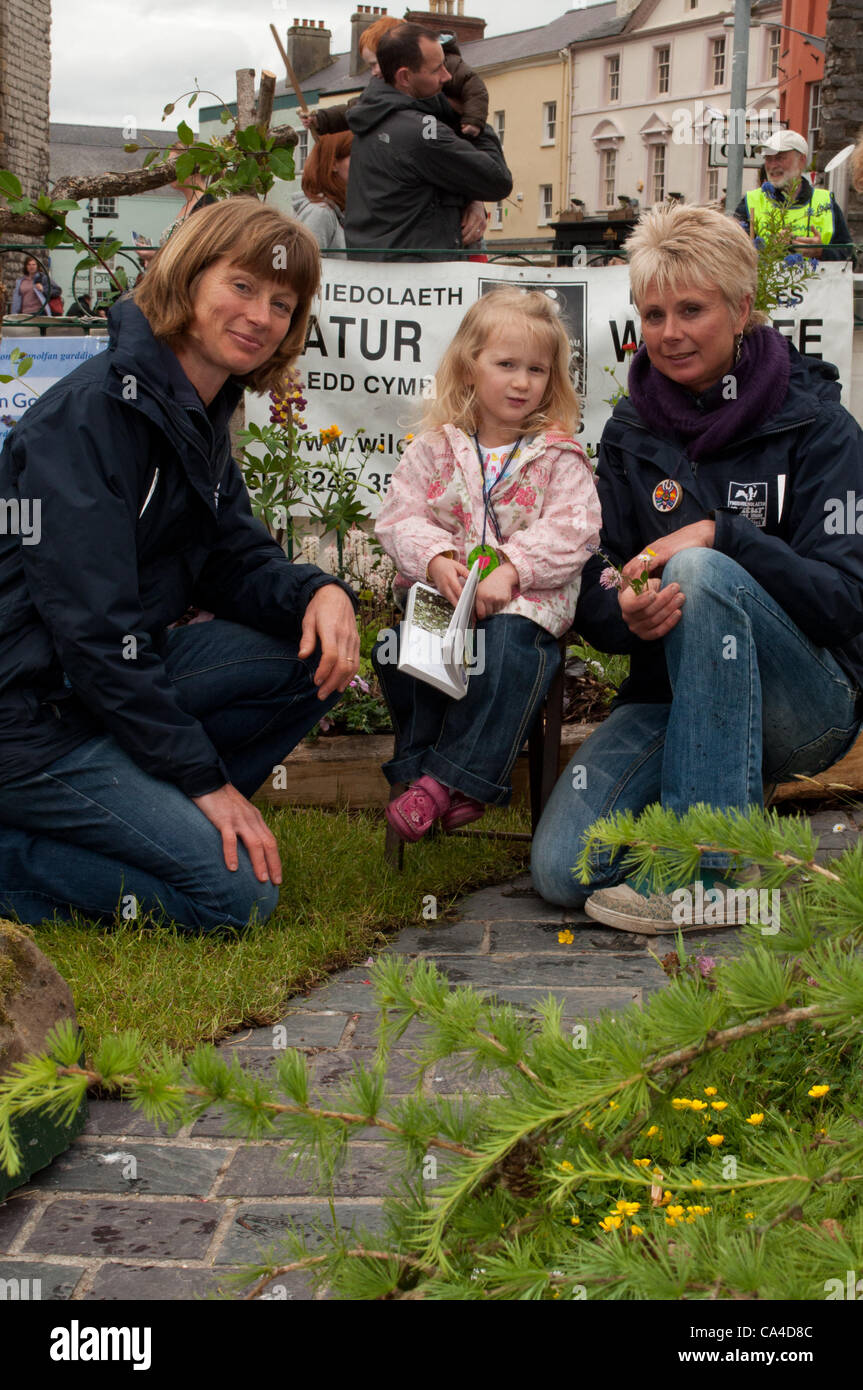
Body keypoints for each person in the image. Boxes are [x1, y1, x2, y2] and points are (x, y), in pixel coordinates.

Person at [0, 199, 359, 934]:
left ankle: (155, 811)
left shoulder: (198, 411)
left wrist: (319, 591)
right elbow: (95, 634)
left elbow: (233, 559)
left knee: (311, 654)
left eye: (282, 303)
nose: (260, 316)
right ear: (189, 278)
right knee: (235, 902)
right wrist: (201, 780)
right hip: (27, 717)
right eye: (242, 287)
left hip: (90, 697)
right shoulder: (91, 417)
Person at [531, 202, 863, 932]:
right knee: (562, 871)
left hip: (807, 703)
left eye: (691, 309)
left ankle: (702, 874)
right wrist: (619, 612)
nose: (669, 333)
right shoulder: (629, 431)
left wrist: (724, 536)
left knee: (702, 570)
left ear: (741, 307)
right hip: (672, 698)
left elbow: (844, 603)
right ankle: (720, 787)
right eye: (652, 314)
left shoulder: (821, 428)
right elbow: (591, 575)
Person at [372, 288, 601, 841]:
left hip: (524, 604)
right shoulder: (433, 450)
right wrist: (435, 559)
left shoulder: (557, 455)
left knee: (503, 653)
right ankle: (429, 780)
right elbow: (399, 518)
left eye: (537, 370)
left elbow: (577, 528)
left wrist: (514, 568)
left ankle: (449, 784)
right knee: (401, 650)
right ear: (469, 367)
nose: (522, 382)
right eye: (506, 365)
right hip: (445, 597)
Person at [344, 24, 510, 261]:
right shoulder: (423, 133)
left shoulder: (371, 119)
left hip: (375, 280)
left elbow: (429, 187)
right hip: (423, 285)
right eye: (436, 70)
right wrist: (474, 122)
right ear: (404, 77)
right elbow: (497, 180)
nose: (447, 76)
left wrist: (472, 199)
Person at [303, 13, 489, 142]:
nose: (374, 72)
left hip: (458, 139)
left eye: (376, 64)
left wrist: (473, 119)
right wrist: (321, 119)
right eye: (370, 66)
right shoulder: (383, 88)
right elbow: (358, 107)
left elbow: (474, 87)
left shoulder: (447, 64)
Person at [734, 129, 853, 261]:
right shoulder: (750, 201)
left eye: (779, 158)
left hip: (818, 282)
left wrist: (821, 252)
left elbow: (850, 258)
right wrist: (769, 250)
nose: (772, 165)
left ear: (801, 160)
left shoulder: (826, 202)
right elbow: (732, 255)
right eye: (768, 158)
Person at [292, 131, 352, 252]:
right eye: (356, 156)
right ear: (333, 164)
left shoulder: (337, 210)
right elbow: (306, 267)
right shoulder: (320, 212)